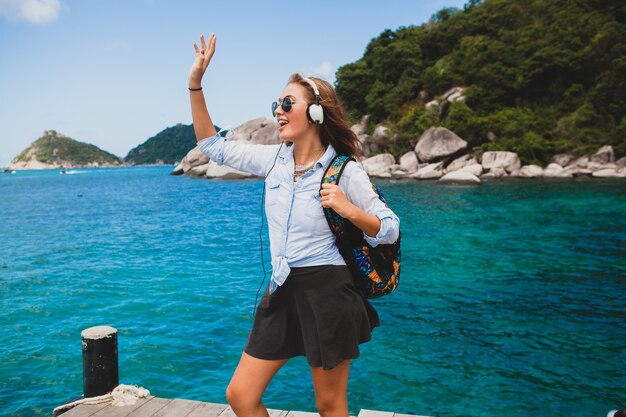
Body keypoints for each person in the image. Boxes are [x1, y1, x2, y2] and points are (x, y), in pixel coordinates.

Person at [188, 33, 400, 417]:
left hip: (328, 292)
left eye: (288, 103)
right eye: (277, 104)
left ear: (316, 113)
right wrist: (196, 83)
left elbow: (389, 227)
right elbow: (211, 146)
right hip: (282, 287)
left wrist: (348, 209)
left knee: (329, 404)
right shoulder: (274, 160)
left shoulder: (344, 170)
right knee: (241, 395)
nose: (279, 111)